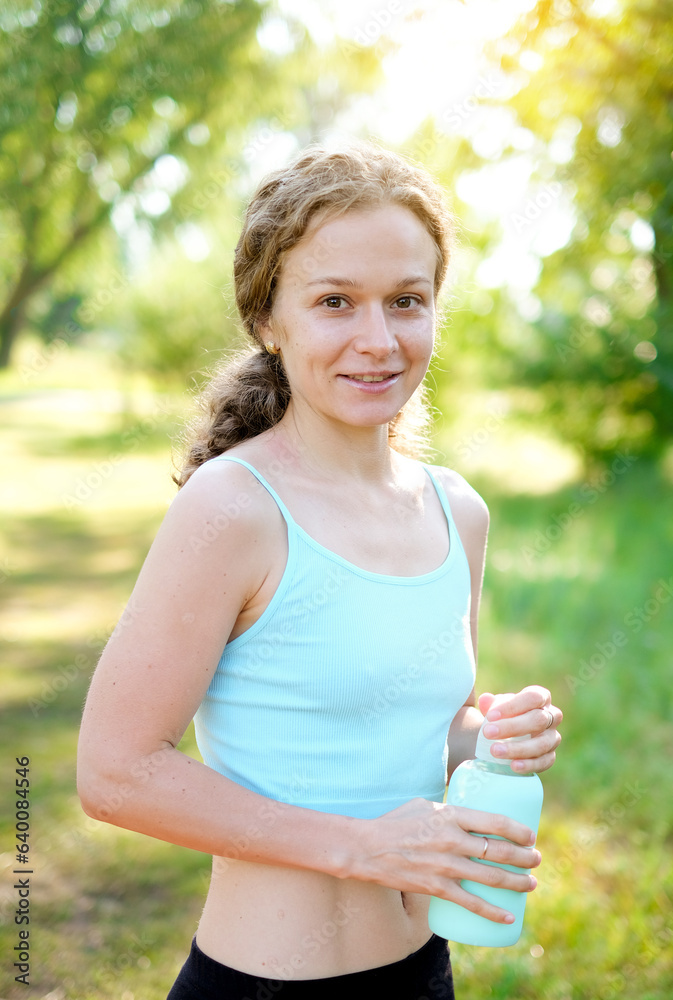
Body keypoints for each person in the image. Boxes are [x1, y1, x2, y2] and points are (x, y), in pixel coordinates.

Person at [77, 140, 563, 1000]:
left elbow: (407, 738)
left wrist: (485, 741)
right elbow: (114, 773)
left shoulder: (459, 511)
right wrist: (360, 846)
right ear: (269, 319)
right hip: (267, 983)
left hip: (423, 973)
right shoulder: (234, 508)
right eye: (335, 302)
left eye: (406, 302)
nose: (377, 341)